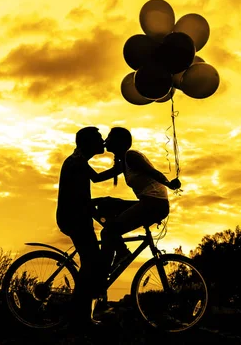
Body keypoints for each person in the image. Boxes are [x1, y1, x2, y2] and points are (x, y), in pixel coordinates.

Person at [56, 126, 121, 328]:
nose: (102, 141)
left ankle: (83, 310)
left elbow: (86, 191)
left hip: (77, 218)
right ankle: (78, 312)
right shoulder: (76, 162)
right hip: (75, 219)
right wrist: (119, 169)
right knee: (91, 264)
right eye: (99, 138)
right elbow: (97, 179)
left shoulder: (78, 160)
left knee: (91, 263)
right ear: (88, 143)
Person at [100, 126, 181, 274]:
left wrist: (169, 184)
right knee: (105, 204)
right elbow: (97, 178)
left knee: (108, 232)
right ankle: (118, 250)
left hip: (154, 204)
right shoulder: (123, 162)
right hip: (148, 203)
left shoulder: (131, 156)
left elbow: (152, 172)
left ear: (118, 142)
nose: (107, 140)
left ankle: (106, 268)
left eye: (110, 137)